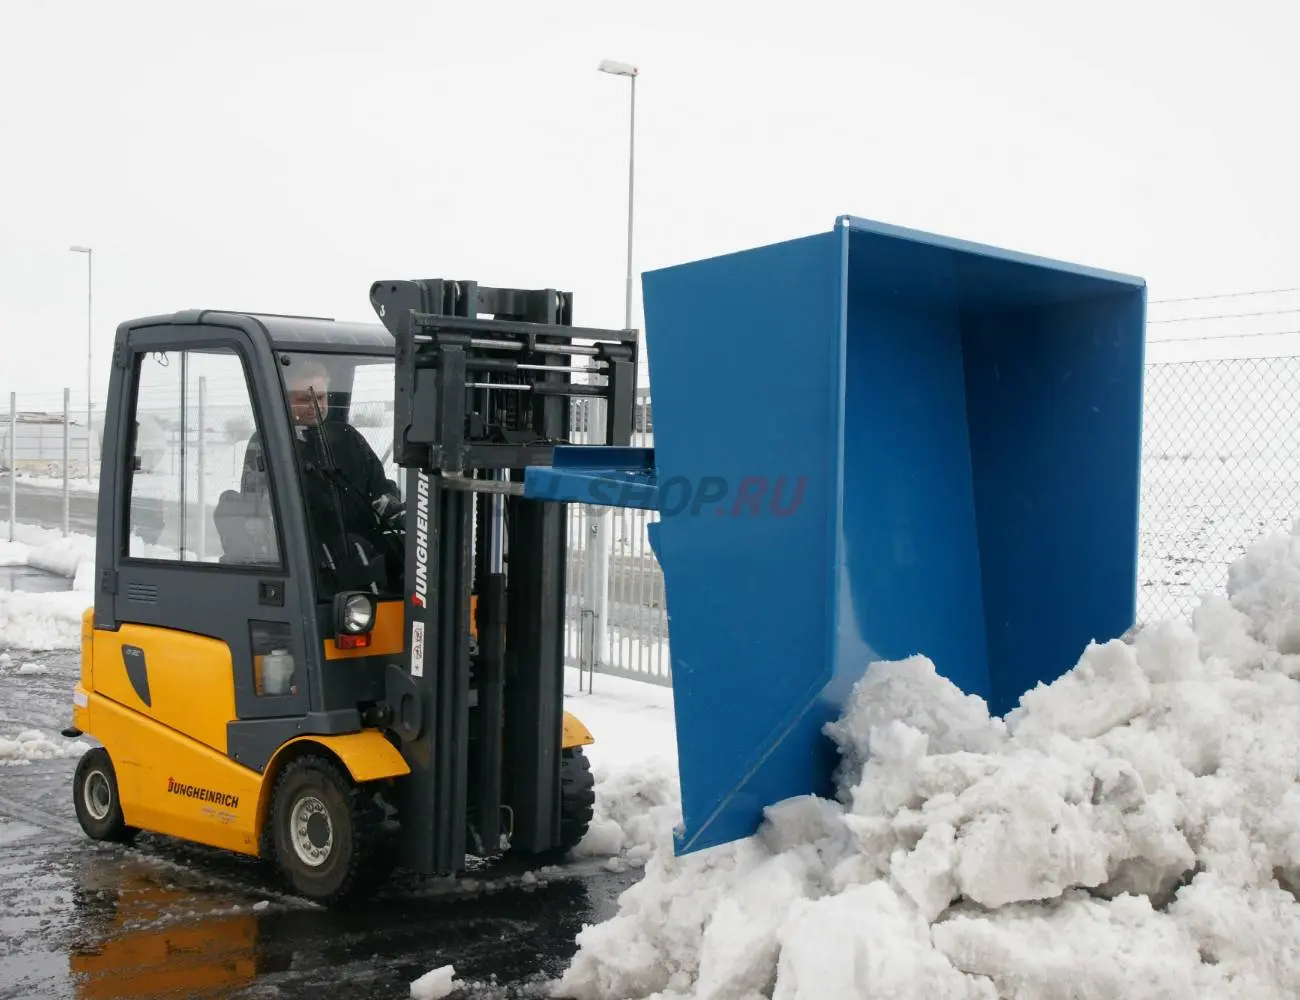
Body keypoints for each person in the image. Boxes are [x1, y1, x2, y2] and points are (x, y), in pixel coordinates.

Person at [239, 357, 404, 591]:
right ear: (285, 400)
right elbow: (255, 503)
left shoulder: (347, 437)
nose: (315, 406)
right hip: (307, 555)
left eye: (320, 397)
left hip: (360, 545)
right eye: (305, 399)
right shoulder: (269, 442)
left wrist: (392, 505)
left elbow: (380, 487)